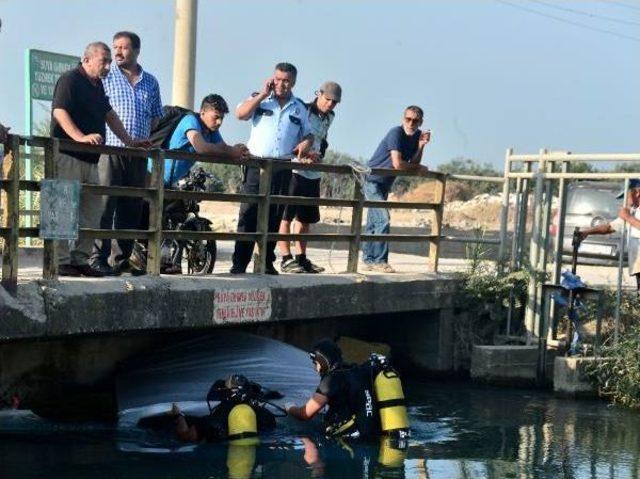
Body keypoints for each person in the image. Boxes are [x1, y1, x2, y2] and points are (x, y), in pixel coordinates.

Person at [50, 41, 150, 277]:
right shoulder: (70, 80)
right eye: (103, 61)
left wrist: (130, 141)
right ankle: (60, 261)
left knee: (92, 212)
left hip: (92, 159)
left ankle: (81, 259)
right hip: (67, 155)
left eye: (108, 61)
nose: (108, 65)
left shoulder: (97, 86)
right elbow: (59, 111)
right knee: (63, 208)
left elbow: (110, 115)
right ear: (86, 60)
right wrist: (80, 137)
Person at [131, 94, 250, 274]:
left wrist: (236, 151)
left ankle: (168, 261)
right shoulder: (191, 121)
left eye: (222, 118)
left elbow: (223, 147)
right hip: (151, 173)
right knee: (157, 215)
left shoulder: (211, 130)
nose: (219, 122)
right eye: (215, 117)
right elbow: (200, 146)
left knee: (177, 214)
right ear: (202, 112)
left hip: (168, 179)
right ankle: (150, 256)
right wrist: (230, 151)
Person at [230, 62, 314, 275]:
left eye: (286, 80)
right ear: (272, 78)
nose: (281, 84)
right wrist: (261, 95)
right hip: (256, 165)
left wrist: (306, 143)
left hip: (282, 166)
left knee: (274, 216)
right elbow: (240, 114)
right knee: (248, 214)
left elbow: (309, 134)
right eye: (278, 79)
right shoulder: (260, 97)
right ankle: (239, 263)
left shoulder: (299, 107)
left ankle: (266, 262)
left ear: (293, 82)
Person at [90, 32, 163, 275]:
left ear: (137, 51)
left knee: (131, 207)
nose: (119, 52)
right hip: (111, 149)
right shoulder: (107, 76)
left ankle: (120, 260)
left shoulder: (150, 81)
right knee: (105, 204)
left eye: (124, 47)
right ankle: (97, 258)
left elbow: (155, 117)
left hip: (139, 154)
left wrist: (140, 137)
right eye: (115, 47)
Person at [277, 81, 342, 274]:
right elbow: (289, 137)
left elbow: (322, 139)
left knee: (305, 219)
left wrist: (319, 154)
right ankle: (285, 258)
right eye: (327, 99)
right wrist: (302, 155)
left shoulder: (330, 116)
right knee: (285, 216)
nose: (330, 104)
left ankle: (301, 258)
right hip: (295, 170)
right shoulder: (302, 109)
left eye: (334, 102)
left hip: (313, 173)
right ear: (319, 94)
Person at [287, 339, 409, 440]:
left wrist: (290, 407)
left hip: (349, 439)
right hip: (374, 434)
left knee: (306, 433)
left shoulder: (330, 380)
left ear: (324, 362)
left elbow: (305, 414)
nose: (315, 368)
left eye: (316, 363)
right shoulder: (358, 370)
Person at [362, 106, 431, 273]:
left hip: (385, 182)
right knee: (383, 219)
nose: (411, 123)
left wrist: (421, 146)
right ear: (403, 119)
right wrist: (419, 167)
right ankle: (380, 261)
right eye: (408, 119)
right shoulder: (396, 133)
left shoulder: (416, 136)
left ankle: (369, 260)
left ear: (420, 122)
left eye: (415, 120)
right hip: (372, 180)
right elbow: (398, 163)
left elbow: (413, 161)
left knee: (373, 222)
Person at [167, 375, 278, 443]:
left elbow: (185, 437)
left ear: (224, 394)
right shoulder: (267, 416)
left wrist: (178, 417)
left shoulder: (212, 421)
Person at [578, 179, 640, 291]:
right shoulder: (632, 212)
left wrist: (628, 217)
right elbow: (610, 227)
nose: (624, 201)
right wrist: (587, 232)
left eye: (626, 196)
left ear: (637, 193)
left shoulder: (630, 215)